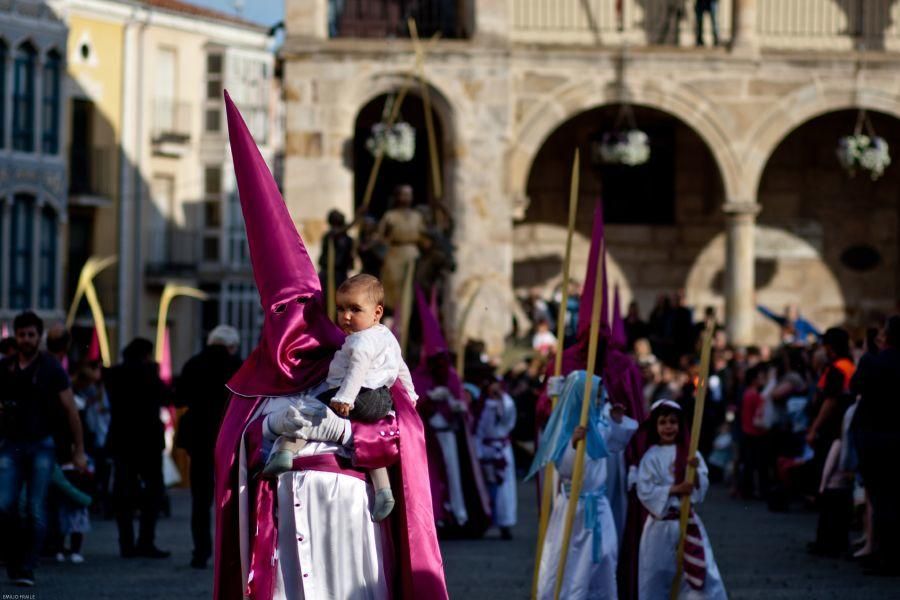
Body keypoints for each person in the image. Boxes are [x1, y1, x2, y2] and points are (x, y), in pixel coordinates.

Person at [214, 92, 447, 600]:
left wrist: (341, 429)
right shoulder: (253, 385)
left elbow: (400, 430)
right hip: (284, 520)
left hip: (349, 514)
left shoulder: (354, 357)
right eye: (279, 317)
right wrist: (271, 426)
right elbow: (234, 456)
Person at [262, 274, 418, 522]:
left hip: (358, 394)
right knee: (369, 438)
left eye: (355, 309)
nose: (345, 317)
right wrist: (410, 396)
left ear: (377, 313)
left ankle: (287, 450)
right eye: (341, 309)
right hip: (381, 399)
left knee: (311, 411)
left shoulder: (360, 341)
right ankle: (384, 490)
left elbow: (357, 369)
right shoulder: (387, 337)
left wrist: (345, 397)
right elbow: (401, 368)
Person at [531, 371, 638, 600]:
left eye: (600, 397)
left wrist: (618, 422)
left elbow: (617, 443)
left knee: (606, 554)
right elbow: (565, 468)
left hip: (598, 504)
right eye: (594, 397)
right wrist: (573, 443)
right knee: (569, 559)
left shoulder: (601, 423)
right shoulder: (567, 427)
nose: (599, 402)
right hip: (572, 507)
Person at [0, 311, 87, 587]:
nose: (26, 339)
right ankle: (15, 561)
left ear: (39, 337)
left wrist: (79, 450)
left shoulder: (51, 368)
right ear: (16, 336)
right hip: (10, 445)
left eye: (31, 335)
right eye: (22, 334)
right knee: (5, 505)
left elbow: (72, 410)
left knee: (35, 508)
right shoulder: (6, 367)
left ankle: (27, 566)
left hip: (41, 445)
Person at [636, 400, 727, 599]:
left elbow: (700, 488)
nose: (668, 427)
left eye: (673, 422)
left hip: (687, 523)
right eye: (663, 422)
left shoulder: (691, 453)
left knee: (697, 575)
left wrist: (693, 473)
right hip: (659, 528)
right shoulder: (650, 457)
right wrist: (675, 489)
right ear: (655, 426)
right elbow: (645, 490)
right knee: (656, 574)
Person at [175, 324, 243, 569]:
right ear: (231, 346)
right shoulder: (238, 365)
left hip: (198, 436)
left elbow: (178, 397)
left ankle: (200, 551)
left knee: (200, 498)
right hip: (229, 435)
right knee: (234, 496)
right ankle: (233, 553)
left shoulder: (193, 363)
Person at [104, 338, 169, 559]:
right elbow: (166, 396)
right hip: (148, 442)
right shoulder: (149, 373)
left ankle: (126, 544)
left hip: (122, 441)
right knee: (153, 493)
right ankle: (146, 541)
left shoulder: (113, 375)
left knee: (123, 494)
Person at [852, 316, 900, 576]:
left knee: (881, 500)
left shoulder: (873, 362)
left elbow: (855, 386)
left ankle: (884, 554)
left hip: (875, 440)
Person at [476, 379, 517, 539]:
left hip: (503, 451)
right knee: (486, 487)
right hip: (485, 451)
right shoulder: (482, 407)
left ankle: (505, 523)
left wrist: (501, 397)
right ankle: (485, 522)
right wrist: (479, 453)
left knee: (505, 489)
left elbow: (509, 416)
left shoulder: (506, 404)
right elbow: (477, 430)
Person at [377, 184, 426, 311]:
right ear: (397, 197)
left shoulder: (417, 216)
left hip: (414, 254)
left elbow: (424, 236)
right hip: (395, 254)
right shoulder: (390, 216)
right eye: (403, 194)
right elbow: (380, 236)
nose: (406, 197)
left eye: (409, 194)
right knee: (394, 289)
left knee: (414, 290)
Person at [738, 365, 770, 499]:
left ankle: (747, 490)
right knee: (759, 465)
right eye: (761, 377)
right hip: (755, 433)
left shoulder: (747, 393)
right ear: (754, 380)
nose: (763, 379)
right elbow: (759, 416)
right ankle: (758, 491)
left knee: (749, 464)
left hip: (747, 432)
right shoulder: (756, 395)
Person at [317, 209, 355, 302]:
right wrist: (356, 220)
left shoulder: (348, 238)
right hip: (328, 273)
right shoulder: (329, 236)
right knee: (326, 300)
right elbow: (336, 234)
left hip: (341, 273)